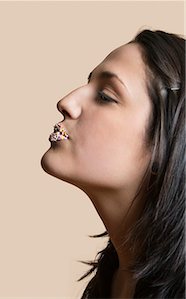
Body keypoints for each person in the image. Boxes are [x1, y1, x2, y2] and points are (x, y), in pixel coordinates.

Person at [40, 29, 185, 298]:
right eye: (88, 84)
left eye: (105, 96)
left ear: (168, 142)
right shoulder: (111, 280)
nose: (67, 103)